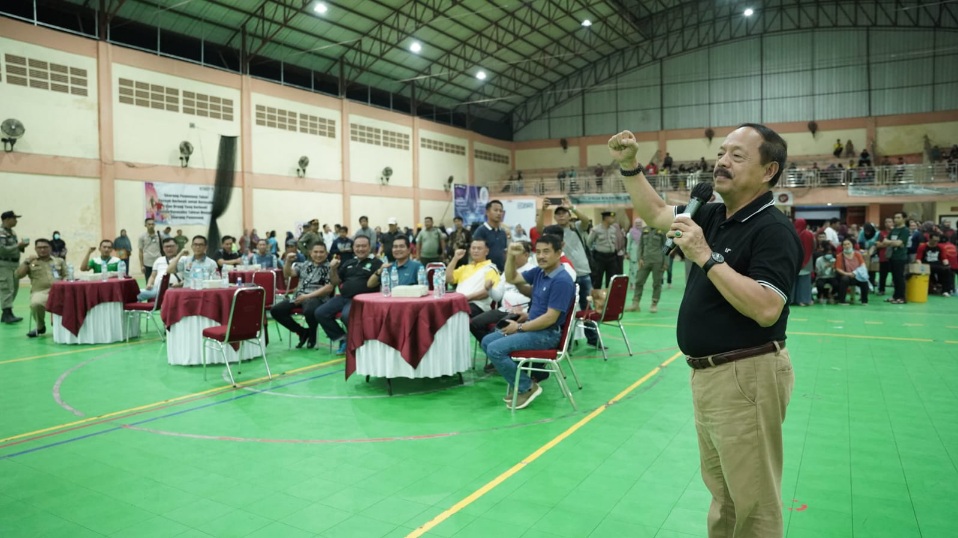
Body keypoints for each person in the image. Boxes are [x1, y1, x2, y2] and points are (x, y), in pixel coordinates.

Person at [609, 122, 801, 538]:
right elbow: (659, 214)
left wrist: (705, 256)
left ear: (769, 171)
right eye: (721, 153)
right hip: (711, 376)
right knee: (725, 497)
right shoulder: (712, 213)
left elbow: (767, 308)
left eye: (737, 156)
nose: (722, 162)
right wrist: (630, 167)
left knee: (754, 502)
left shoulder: (773, 229)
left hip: (746, 376)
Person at [480, 235, 575, 409]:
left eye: (546, 251)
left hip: (546, 334)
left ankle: (527, 387)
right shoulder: (540, 272)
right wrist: (510, 256)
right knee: (487, 342)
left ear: (558, 253)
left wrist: (520, 327)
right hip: (532, 327)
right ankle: (523, 380)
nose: (541, 256)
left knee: (495, 349)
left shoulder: (562, 281)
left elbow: (550, 318)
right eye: (538, 252)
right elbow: (512, 278)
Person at [314, 236, 383, 354]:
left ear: (369, 247)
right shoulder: (348, 263)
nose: (360, 249)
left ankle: (358, 342)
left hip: (362, 299)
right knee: (320, 312)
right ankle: (343, 339)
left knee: (346, 315)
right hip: (343, 298)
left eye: (363, 246)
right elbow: (335, 282)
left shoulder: (377, 263)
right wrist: (333, 270)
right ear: (353, 248)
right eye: (357, 246)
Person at [271, 243, 334, 349]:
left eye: (321, 252)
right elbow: (288, 274)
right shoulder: (304, 264)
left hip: (317, 298)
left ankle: (312, 335)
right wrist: (288, 261)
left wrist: (307, 296)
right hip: (298, 297)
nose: (318, 255)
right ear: (310, 253)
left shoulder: (330, 267)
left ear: (326, 254)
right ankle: (302, 332)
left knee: (309, 309)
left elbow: (329, 288)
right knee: (276, 310)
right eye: (315, 252)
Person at [15, 238, 67, 337]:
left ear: (50, 248)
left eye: (45, 247)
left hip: (59, 290)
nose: (42, 250)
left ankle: (63, 326)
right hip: (40, 291)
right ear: (35, 249)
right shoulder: (30, 262)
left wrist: (64, 282)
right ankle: (40, 327)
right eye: (39, 248)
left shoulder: (59, 261)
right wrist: (26, 262)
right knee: (36, 303)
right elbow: (18, 275)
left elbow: (67, 275)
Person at [446, 239, 501, 317]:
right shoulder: (465, 268)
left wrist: (465, 299)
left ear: (486, 251)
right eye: (473, 248)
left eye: (479, 248)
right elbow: (448, 279)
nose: (476, 251)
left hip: (478, 306)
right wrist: (455, 259)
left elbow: (487, 292)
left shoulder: (491, 269)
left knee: (456, 314)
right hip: (460, 302)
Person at [630, 223, 667, 313]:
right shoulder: (644, 230)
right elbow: (640, 245)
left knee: (657, 283)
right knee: (639, 281)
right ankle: (635, 303)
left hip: (658, 261)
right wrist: (640, 258)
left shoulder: (662, 231)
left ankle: (654, 303)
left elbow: (666, 247)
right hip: (645, 260)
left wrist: (666, 262)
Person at [0, 210, 28, 323]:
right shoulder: (1, 233)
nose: (16, 221)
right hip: (4, 264)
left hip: (14, 263)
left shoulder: (12, 232)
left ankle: (8, 312)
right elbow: (1, 250)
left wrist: (22, 246)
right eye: (14, 218)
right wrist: (18, 246)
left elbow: (15, 248)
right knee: (7, 288)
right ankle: (6, 313)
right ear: (7, 219)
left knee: (15, 288)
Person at [879, 212, 909, 304]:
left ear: (904, 219)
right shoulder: (894, 230)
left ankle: (902, 297)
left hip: (900, 257)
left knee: (899, 277)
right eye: (895, 217)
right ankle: (895, 296)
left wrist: (891, 242)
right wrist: (894, 242)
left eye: (898, 217)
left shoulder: (905, 230)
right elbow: (884, 241)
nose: (896, 219)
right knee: (895, 278)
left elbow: (899, 243)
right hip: (892, 256)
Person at [472, 200, 508, 272]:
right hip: (485, 272)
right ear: (487, 212)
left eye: (501, 211)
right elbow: (476, 255)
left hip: (501, 272)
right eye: (495, 210)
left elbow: (504, 252)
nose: (498, 213)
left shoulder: (503, 233)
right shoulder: (480, 231)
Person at [589, 211, 620, 290]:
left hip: (612, 257)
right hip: (600, 257)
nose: (613, 219)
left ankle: (609, 299)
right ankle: (597, 300)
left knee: (612, 280)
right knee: (597, 280)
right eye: (611, 217)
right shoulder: (596, 229)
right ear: (606, 218)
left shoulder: (613, 229)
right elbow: (589, 243)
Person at [834, 238, 869, 305]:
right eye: (844, 245)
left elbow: (862, 265)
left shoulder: (858, 254)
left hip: (857, 275)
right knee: (844, 279)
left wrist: (855, 273)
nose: (847, 246)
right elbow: (838, 268)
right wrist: (847, 274)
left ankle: (864, 301)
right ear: (842, 246)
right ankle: (842, 301)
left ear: (852, 245)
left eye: (848, 244)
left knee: (864, 281)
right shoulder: (839, 256)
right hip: (846, 275)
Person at [792, 218, 815, 307]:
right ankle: (803, 300)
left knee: (793, 282)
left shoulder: (792, 232)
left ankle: (791, 300)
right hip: (807, 260)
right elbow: (813, 246)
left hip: (794, 260)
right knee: (804, 282)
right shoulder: (809, 234)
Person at [138, 218, 163, 283]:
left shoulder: (160, 235)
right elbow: (140, 251)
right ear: (145, 225)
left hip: (158, 261)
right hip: (147, 263)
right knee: (149, 282)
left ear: (154, 225)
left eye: (152, 224)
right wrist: (141, 265)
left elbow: (164, 249)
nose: (151, 226)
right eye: (149, 224)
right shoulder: (142, 236)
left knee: (159, 281)